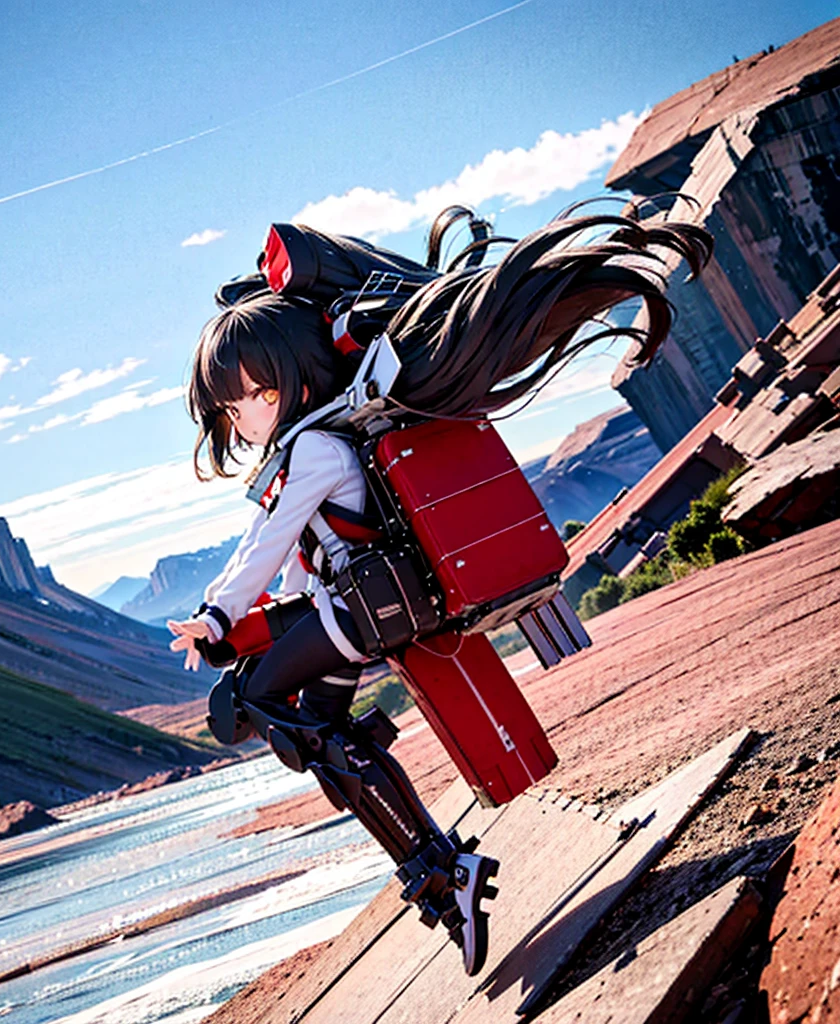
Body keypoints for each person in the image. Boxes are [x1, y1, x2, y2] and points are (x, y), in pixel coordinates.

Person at [168, 210, 713, 975]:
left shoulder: (314, 447)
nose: (238, 419)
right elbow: (298, 558)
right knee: (319, 728)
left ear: (282, 380)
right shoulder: (328, 438)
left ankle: (436, 869)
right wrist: (235, 623)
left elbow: (268, 543)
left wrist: (219, 613)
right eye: (229, 409)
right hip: (360, 607)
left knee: (252, 702)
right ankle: (436, 871)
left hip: (360, 614)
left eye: (242, 399)